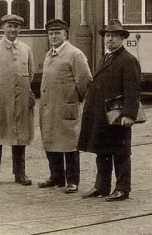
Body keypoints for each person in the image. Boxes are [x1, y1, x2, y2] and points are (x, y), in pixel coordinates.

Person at [78, 19, 142, 202]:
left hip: (118, 114)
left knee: (120, 153)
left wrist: (129, 114)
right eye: (107, 36)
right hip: (102, 114)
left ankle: (122, 188)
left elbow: (133, 90)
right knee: (102, 151)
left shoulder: (128, 60)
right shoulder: (106, 57)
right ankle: (101, 186)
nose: (110, 39)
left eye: (114, 36)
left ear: (122, 38)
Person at [0, 13, 36, 186]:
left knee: (20, 137)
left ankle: (20, 174)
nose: (13, 30)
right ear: (3, 28)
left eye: (16, 26)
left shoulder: (26, 49)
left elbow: (30, 74)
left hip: (21, 101)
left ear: (20, 29)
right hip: (0, 102)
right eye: (9, 26)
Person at [38, 19, 92, 194]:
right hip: (49, 108)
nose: (53, 37)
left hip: (66, 106)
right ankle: (56, 177)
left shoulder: (75, 54)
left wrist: (75, 99)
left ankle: (72, 180)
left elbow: (84, 80)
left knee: (69, 143)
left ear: (65, 34)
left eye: (57, 33)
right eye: (51, 33)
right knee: (51, 140)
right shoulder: (50, 54)